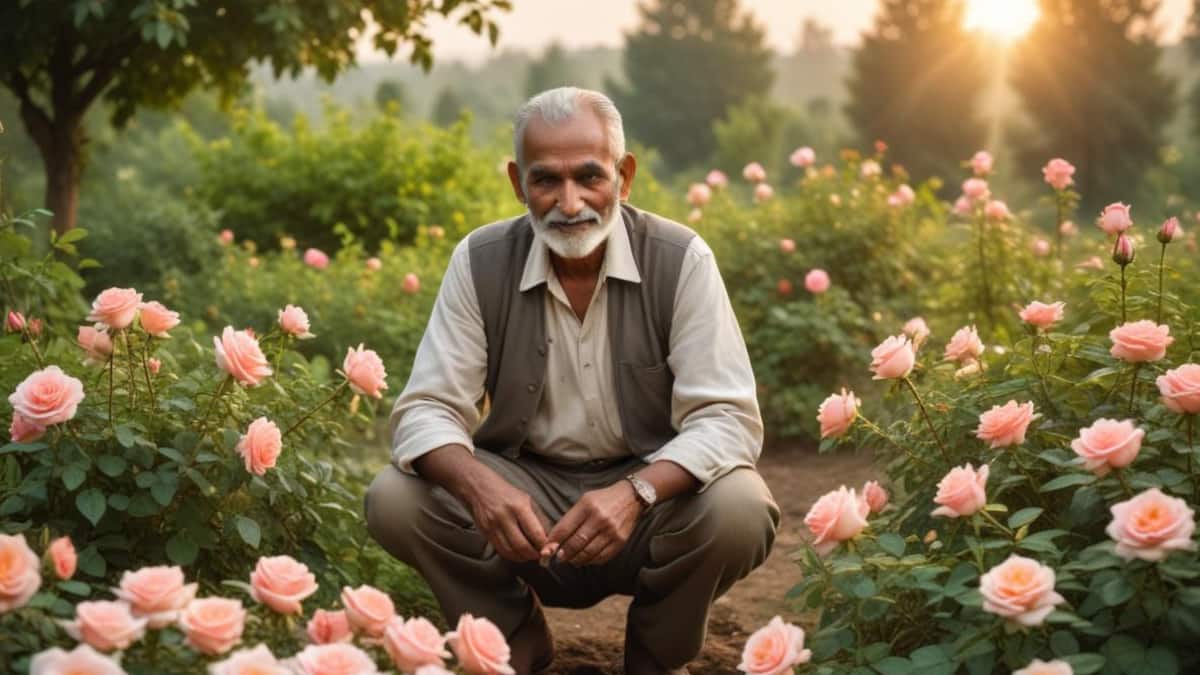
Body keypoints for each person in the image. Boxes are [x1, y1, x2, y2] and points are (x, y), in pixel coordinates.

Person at [364, 86, 778, 675]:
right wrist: (483, 489)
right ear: (517, 183)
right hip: (524, 499)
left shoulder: (681, 259)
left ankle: (657, 659)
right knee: (396, 499)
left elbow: (727, 418)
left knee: (738, 507)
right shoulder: (480, 260)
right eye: (545, 181)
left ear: (624, 175)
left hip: (650, 495)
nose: (570, 202)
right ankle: (514, 642)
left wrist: (637, 493)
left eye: (590, 177)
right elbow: (425, 409)